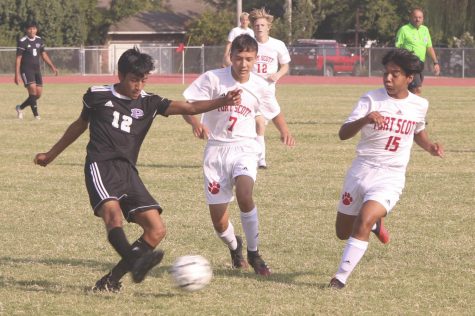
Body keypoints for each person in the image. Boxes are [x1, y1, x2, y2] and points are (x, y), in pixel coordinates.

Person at [34, 48, 241, 293]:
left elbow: (190, 108)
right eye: (134, 79)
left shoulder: (149, 102)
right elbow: (79, 125)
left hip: (128, 172)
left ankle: (110, 281)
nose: (138, 86)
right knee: (113, 218)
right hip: (101, 166)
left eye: (143, 80)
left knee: (156, 229)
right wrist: (51, 155)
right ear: (119, 75)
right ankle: (136, 262)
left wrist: (223, 101)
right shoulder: (96, 96)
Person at [329, 48, 444, 289]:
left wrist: (430, 146)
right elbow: (343, 133)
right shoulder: (370, 99)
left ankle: (339, 279)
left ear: (409, 78)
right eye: (386, 73)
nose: (388, 78)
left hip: (391, 175)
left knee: (364, 218)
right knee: (342, 232)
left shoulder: (419, 105)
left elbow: (417, 132)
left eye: (395, 74)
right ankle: (375, 225)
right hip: (361, 170)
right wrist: (365, 119)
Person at [182, 34, 295, 276]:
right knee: (219, 222)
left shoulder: (260, 85)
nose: (244, 64)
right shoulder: (213, 79)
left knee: (245, 194)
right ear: (230, 57)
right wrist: (195, 123)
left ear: (256, 60)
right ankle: (235, 247)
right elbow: (187, 104)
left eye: (249, 59)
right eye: (239, 58)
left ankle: (254, 254)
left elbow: (274, 111)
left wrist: (284, 131)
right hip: (215, 150)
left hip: (245, 147)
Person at [249, 8, 291, 169]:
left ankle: (259, 158)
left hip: (267, 90)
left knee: (260, 123)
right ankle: (260, 160)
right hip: (249, 89)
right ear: (253, 27)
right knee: (257, 123)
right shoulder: (248, 42)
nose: (259, 27)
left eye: (262, 25)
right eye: (257, 25)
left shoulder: (277, 45)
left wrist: (278, 74)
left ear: (268, 27)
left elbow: (285, 65)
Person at [14, 21, 58, 120]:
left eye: (34, 28)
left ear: (36, 30)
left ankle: (20, 108)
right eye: (30, 28)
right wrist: (16, 75)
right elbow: (18, 59)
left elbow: (43, 54)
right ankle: (36, 115)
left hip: (36, 70)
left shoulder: (39, 40)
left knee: (38, 94)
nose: (32, 30)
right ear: (26, 30)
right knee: (32, 91)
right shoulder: (22, 41)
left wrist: (52, 66)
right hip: (26, 70)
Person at [396, 8, 440, 95]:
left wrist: (435, 63)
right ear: (410, 17)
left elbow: (429, 47)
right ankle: (415, 108)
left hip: (420, 64)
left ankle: (403, 106)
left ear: (423, 18)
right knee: (417, 88)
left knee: (411, 90)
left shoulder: (425, 30)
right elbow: (397, 47)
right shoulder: (404, 30)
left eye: (420, 17)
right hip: (409, 63)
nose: (418, 19)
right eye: (415, 17)